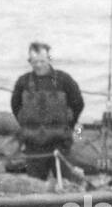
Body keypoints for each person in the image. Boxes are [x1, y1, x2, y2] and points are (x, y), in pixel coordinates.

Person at [10, 41, 85, 180]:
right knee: (35, 187)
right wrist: (28, 126)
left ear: (49, 60)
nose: (38, 65)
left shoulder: (64, 80)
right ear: (29, 61)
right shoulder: (23, 82)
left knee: (68, 184)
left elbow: (78, 104)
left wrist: (69, 126)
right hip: (34, 147)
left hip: (60, 144)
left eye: (42, 61)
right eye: (34, 61)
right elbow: (15, 107)